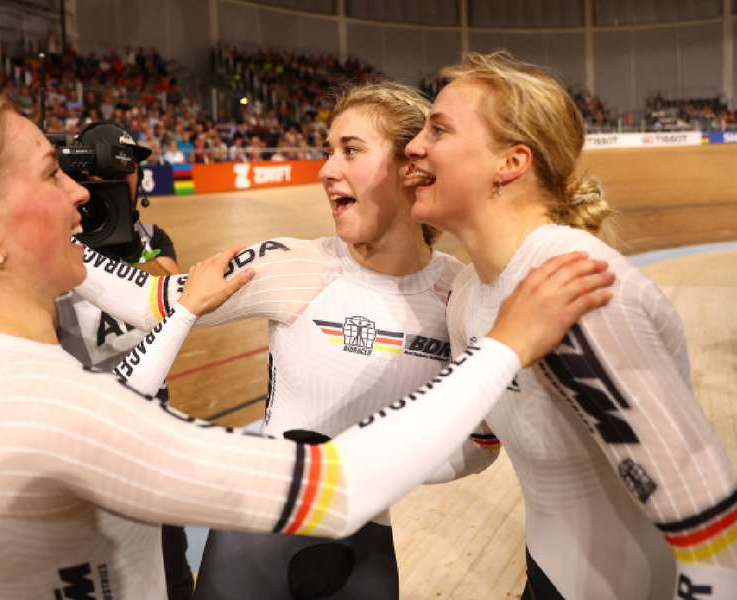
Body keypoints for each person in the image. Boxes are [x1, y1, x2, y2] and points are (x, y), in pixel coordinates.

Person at [0, 93, 612, 599]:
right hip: (292, 521)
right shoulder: (54, 409)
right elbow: (337, 485)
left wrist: (174, 307)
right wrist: (506, 346)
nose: (84, 192)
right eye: (53, 173)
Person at [74, 82, 572, 599]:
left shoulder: (461, 295)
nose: (327, 169)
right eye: (327, 149)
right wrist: (51, 233)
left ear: (412, 166)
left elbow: (479, 449)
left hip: (364, 554)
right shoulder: (291, 264)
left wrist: (362, 469)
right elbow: (148, 300)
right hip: (254, 542)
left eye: (350, 150)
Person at [403, 51, 737, 599]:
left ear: (510, 163)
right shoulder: (470, 293)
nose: (415, 146)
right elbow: (477, 444)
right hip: (548, 575)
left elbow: (706, 507)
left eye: (438, 128)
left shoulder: (576, 288)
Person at [53, 121, 193, 600]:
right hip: (85, 427)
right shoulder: (59, 239)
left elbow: (168, 288)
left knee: (171, 562)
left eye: (129, 167)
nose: (122, 177)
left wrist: (122, 244)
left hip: (152, 417)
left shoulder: (153, 233)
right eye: (110, 166)